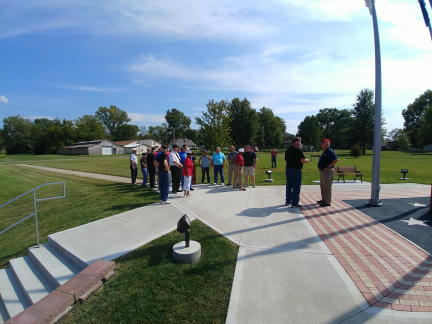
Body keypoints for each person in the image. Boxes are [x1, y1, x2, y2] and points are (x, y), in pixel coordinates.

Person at [285, 137, 309, 207]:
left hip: (288, 169)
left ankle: (288, 201)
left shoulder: (288, 150)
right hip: (296, 170)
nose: (300, 143)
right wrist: (307, 160)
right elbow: (303, 160)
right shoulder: (298, 150)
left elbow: (286, 160)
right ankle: (294, 202)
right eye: (300, 141)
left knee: (289, 186)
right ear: (296, 142)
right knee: (296, 186)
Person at [317, 138, 338, 207]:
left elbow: (335, 159)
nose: (321, 145)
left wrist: (328, 167)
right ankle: (324, 199)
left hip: (327, 172)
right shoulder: (325, 151)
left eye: (323, 143)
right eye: (321, 143)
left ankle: (327, 202)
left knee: (327, 187)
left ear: (327, 144)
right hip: (322, 171)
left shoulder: (330, 151)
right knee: (322, 186)